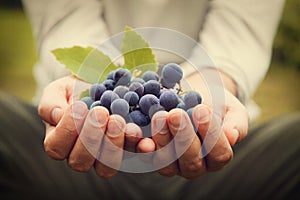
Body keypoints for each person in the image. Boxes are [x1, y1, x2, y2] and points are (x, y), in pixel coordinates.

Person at [0, 0, 299, 199]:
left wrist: (214, 83)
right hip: (68, 154)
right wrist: (87, 79)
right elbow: (65, 15)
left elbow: (240, 29)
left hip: (221, 156)